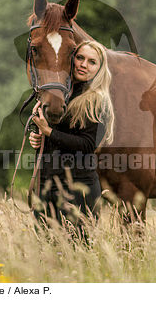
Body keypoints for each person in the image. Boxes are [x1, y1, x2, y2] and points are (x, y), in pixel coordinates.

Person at [29, 40, 114, 237]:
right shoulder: (61, 94)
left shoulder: (97, 100)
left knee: (77, 254)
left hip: (78, 189)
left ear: (100, 70)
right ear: (71, 59)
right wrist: (40, 138)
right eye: (80, 58)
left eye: (92, 62)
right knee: (45, 253)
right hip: (48, 184)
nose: (83, 64)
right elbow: (62, 137)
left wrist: (49, 132)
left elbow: (87, 144)